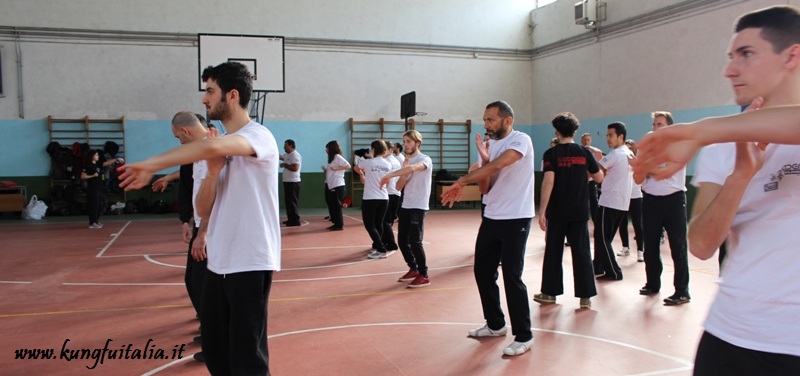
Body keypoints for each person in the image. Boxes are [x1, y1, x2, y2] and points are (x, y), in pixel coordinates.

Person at [633, 6, 800, 374]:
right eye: (730, 57)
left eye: (747, 54)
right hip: (730, 332)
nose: (730, 70)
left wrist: (702, 130)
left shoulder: (719, 132)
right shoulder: (726, 144)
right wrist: (739, 177)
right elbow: (702, 245)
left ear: (792, 55)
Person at [118, 61, 280, 375]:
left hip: (249, 260)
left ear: (232, 96)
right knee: (217, 352)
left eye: (210, 91)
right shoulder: (213, 153)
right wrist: (213, 174)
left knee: (248, 359)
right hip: (217, 261)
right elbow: (204, 210)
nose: (204, 99)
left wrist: (154, 163)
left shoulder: (259, 136)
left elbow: (217, 145)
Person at [441, 101, 535, 356]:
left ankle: (524, 335)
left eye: (491, 119)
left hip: (516, 218)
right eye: (485, 119)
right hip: (492, 217)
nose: (486, 125)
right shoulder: (490, 147)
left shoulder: (521, 140)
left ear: (507, 120)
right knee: (483, 271)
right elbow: (486, 188)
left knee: (512, 276)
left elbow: (498, 166)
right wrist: (483, 161)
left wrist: (464, 178)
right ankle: (495, 324)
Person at [151, 112, 211, 362]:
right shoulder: (192, 157)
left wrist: (204, 232)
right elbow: (188, 187)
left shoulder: (215, 151)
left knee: (208, 287)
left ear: (186, 132)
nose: (178, 143)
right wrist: (187, 222)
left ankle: (215, 341)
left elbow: (218, 193)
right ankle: (210, 332)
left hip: (212, 230)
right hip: (199, 225)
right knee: (194, 282)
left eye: (178, 137)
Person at [534, 112, 603, 309]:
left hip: (557, 211)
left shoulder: (551, 154)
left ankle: (549, 293)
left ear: (557, 131)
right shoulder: (584, 153)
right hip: (580, 211)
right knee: (581, 252)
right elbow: (599, 178)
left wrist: (542, 211)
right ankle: (585, 296)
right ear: (575, 131)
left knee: (553, 252)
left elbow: (548, 181)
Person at [635, 111, 690, 305]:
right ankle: (652, 283)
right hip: (650, 200)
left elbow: (665, 172)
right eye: (654, 125)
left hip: (674, 200)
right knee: (649, 245)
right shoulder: (646, 148)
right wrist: (643, 166)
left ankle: (682, 291)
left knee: (678, 245)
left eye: (660, 124)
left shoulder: (678, 146)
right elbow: (637, 178)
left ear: (669, 127)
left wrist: (645, 166)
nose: (656, 128)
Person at [379, 130, 432, 288]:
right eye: (404, 141)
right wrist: (402, 172)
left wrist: (389, 175)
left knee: (415, 241)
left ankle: (424, 274)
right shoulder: (406, 162)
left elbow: (414, 168)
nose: (405, 144)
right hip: (406, 205)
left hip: (419, 205)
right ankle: (413, 268)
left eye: (408, 141)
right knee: (402, 240)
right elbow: (398, 186)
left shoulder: (425, 159)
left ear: (418, 143)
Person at [593, 122, 633, 281]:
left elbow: (597, 170)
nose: (608, 138)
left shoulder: (616, 154)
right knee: (605, 238)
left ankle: (614, 271)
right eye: (607, 135)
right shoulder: (627, 153)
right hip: (621, 203)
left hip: (610, 201)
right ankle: (598, 265)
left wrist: (595, 158)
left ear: (620, 137)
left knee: (601, 237)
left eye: (611, 135)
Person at [353, 140, 392, 259]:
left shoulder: (368, 162)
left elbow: (356, 167)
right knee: (378, 223)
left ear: (373, 150)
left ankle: (381, 249)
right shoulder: (387, 164)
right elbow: (387, 180)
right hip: (384, 197)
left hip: (370, 198)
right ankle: (377, 245)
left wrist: (362, 175)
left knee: (369, 224)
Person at [81, 150, 122, 229]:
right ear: (92, 156)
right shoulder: (88, 165)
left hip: (99, 187)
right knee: (94, 205)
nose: (98, 156)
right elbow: (83, 176)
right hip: (92, 188)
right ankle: (92, 222)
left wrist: (116, 159)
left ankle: (96, 221)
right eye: (96, 155)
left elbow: (107, 163)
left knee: (100, 204)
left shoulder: (98, 164)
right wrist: (92, 176)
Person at [322, 140, 350, 231]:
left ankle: (339, 225)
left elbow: (348, 165)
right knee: (331, 203)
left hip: (337, 185)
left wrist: (337, 168)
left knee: (336, 205)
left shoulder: (338, 157)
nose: (326, 149)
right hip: (331, 184)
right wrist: (327, 170)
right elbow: (332, 170)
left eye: (327, 147)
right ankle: (335, 222)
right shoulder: (331, 158)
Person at [381, 140, 401, 252]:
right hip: (395, 193)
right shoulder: (393, 161)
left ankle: (391, 244)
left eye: (384, 149)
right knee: (387, 221)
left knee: (385, 221)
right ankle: (385, 241)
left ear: (390, 150)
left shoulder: (388, 162)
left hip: (390, 193)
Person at [280, 139, 302, 227]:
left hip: (293, 182)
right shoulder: (287, 155)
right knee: (288, 202)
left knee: (292, 202)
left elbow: (295, 168)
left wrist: (284, 165)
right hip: (287, 181)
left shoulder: (295, 155)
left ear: (290, 146)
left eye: (285, 145)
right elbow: (281, 157)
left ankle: (295, 220)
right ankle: (290, 219)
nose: (284, 147)